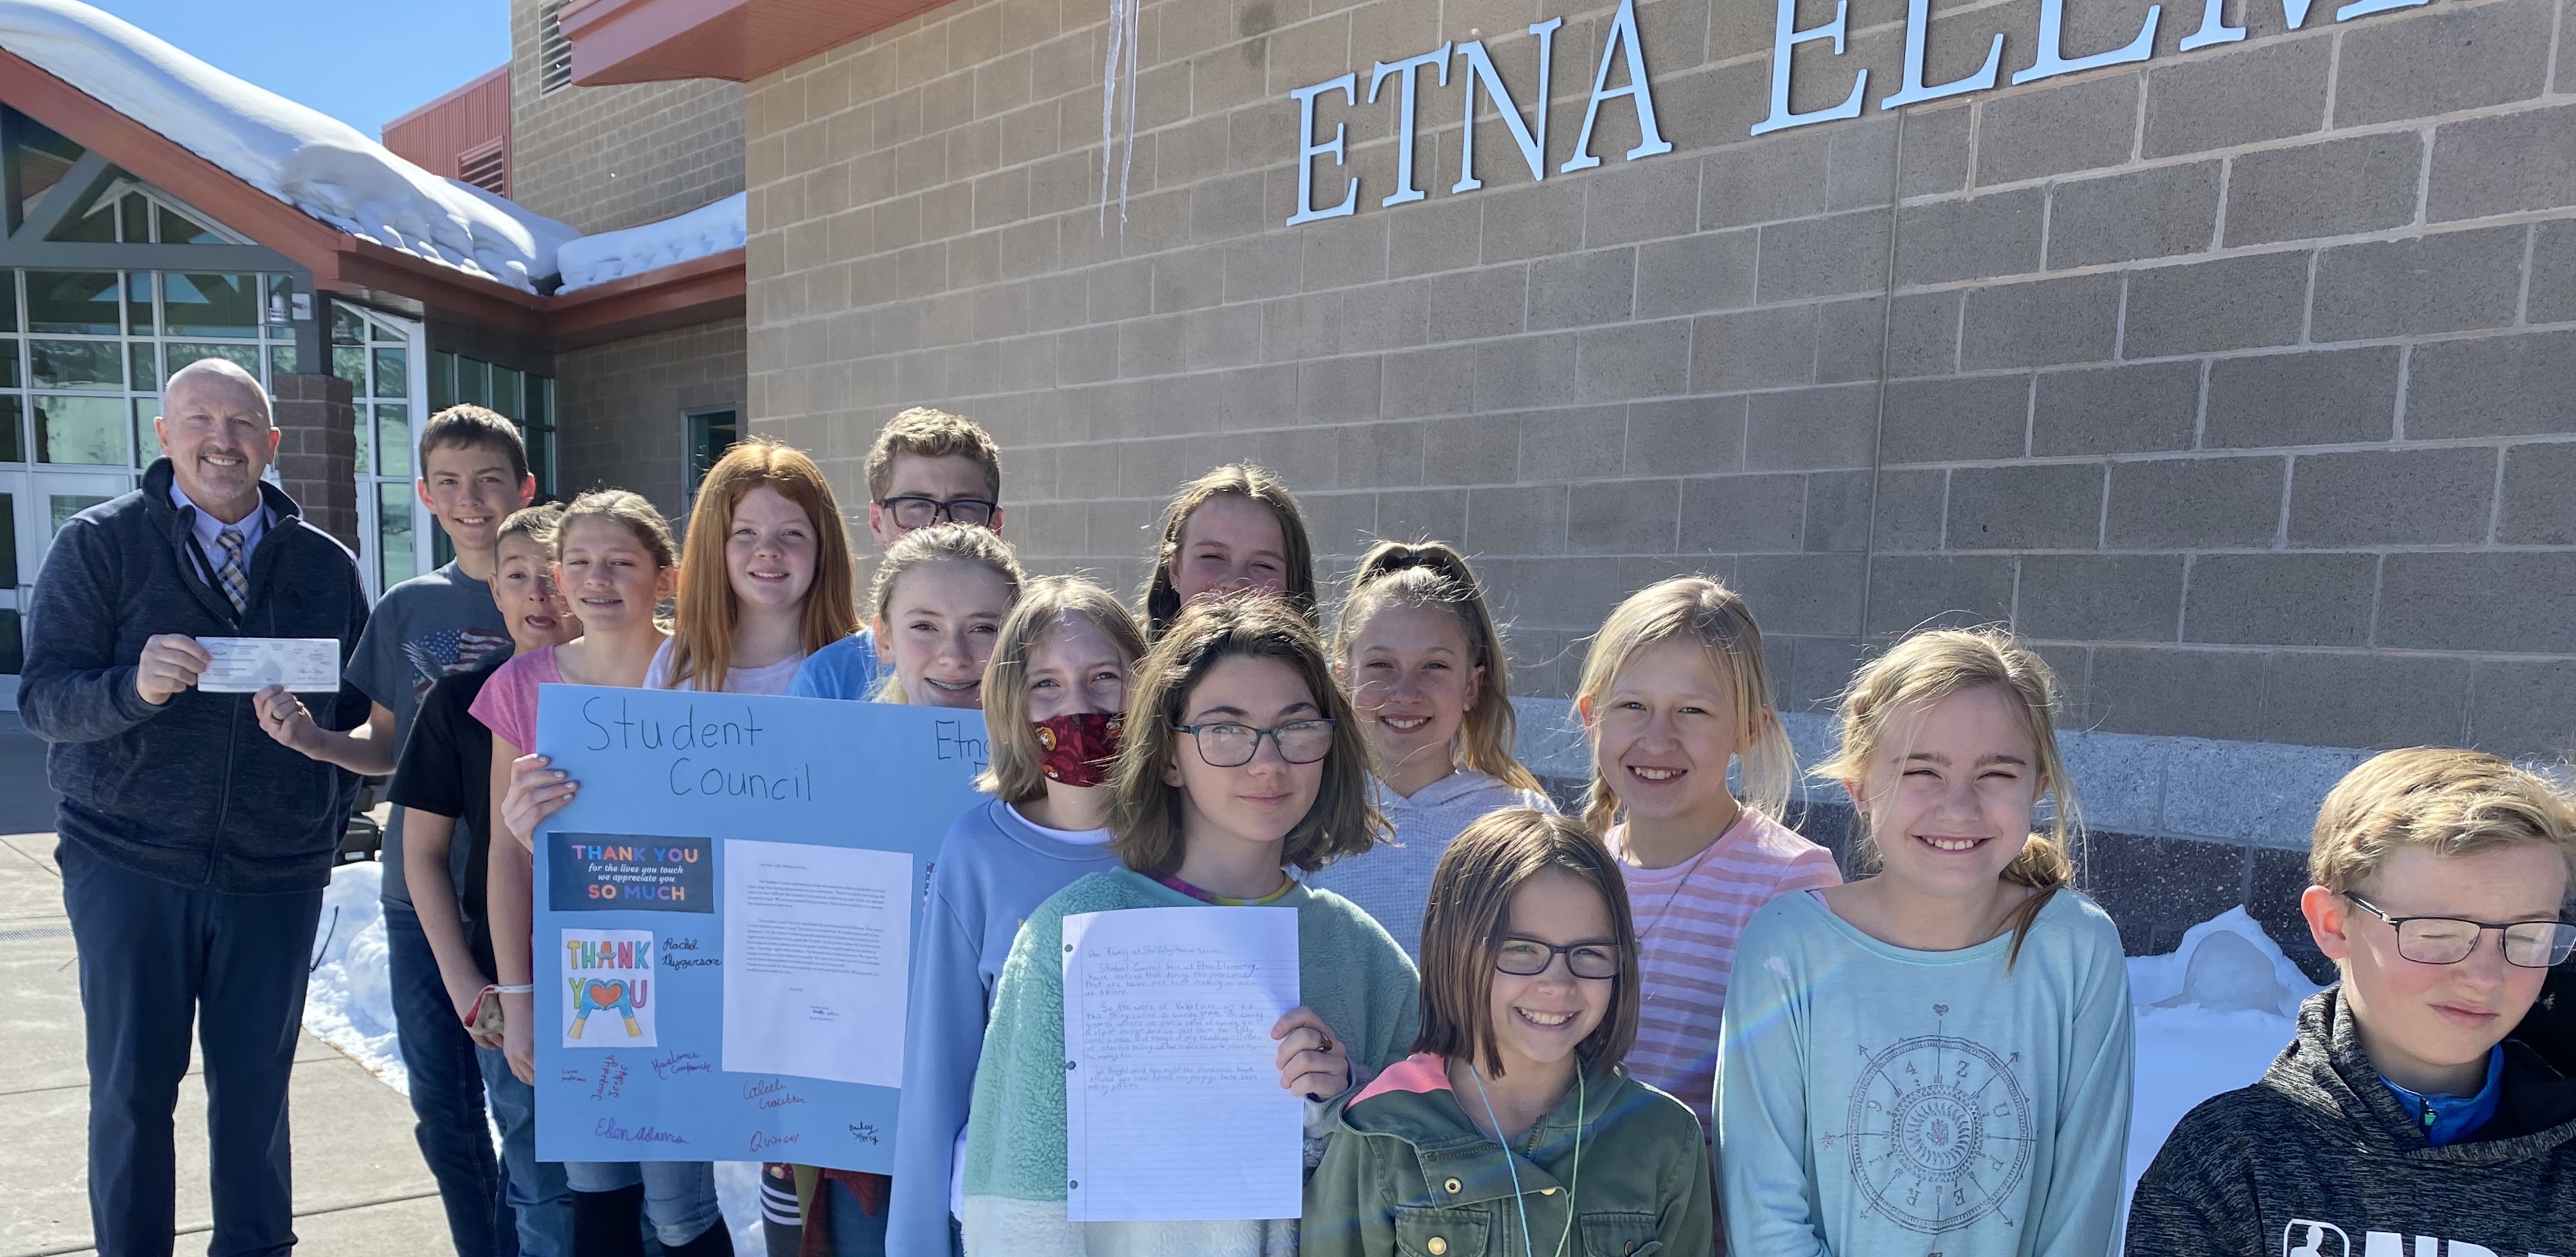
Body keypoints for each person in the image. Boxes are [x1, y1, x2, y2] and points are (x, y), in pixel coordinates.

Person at [18, 357, 371, 1255]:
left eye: (242, 423)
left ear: (272, 442)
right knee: (132, 1093)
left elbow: (360, 718)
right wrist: (131, 687)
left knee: (256, 1093)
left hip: (276, 875)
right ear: (165, 435)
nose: (223, 440)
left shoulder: (325, 566)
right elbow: (44, 699)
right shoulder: (100, 545)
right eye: (201, 421)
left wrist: (319, 815)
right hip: (129, 863)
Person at [958, 596, 1419, 1255]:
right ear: (1168, 756)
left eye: (1296, 725)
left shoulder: (1365, 955)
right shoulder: (1072, 937)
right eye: (1225, 728)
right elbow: (1017, 1208)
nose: (1268, 760)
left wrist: (1345, 1098)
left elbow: (1429, 1186)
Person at [1716, 628, 2133, 1257]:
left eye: (1996, 772)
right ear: (1860, 785)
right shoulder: (1785, 951)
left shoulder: (2078, 950)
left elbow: (2083, 1209)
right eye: (1921, 770)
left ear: (2038, 786)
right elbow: (1765, 1214)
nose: (1958, 806)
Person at [256, 403, 537, 1257]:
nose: (470, 499)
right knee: (444, 1107)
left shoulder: (555, 593)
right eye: (449, 482)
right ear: (424, 494)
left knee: (525, 1106)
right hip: (421, 894)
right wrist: (315, 740)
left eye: (488, 480)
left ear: (524, 487)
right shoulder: (409, 608)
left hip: (521, 895)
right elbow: (387, 745)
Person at [2126, 748, 2576, 1255]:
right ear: (2334, 924)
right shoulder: (2232, 1163)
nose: (2485, 977)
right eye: (2438, 933)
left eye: (2529, 936)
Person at [474, 492, 736, 1257]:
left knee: (680, 1208)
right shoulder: (522, 686)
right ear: (558, 577)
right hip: (581, 970)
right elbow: (504, 853)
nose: (598, 578)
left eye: (621, 561)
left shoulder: (709, 678)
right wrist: (518, 996)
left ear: (666, 577)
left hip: (688, 966)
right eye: (580, 562)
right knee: (595, 1193)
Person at [1304, 808, 1713, 1257]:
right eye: (1521, 948)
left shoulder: (1664, 1136)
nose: (1558, 984)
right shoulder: (1380, 1132)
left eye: (1589, 952)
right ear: (1454, 949)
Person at [780, 520, 1024, 1257]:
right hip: (868, 1121)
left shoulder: (1063, 779)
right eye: (924, 626)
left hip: (1018, 1116)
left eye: (985, 627)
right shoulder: (815, 774)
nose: (955, 653)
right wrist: (563, 820)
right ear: (881, 637)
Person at [886, 577, 1141, 1257]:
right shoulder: (977, 850)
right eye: (1046, 684)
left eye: (1104, 677)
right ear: (1012, 703)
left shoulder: (1194, 841)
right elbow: (938, 1064)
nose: (1078, 705)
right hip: (1014, 1215)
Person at [1570, 576, 1838, 1136]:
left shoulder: (1791, 882)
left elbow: (1809, 1098)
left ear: (1748, 728)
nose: (1657, 739)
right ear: (1592, 716)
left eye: (1692, 710)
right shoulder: (1571, 871)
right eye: (1633, 705)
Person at [391, 503, 579, 1256]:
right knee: (539, 1185)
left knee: (637, 1192)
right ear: (494, 592)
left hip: (622, 970)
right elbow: (421, 854)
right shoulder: (459, 702)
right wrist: (467, 981)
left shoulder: (641, 692)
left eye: (553, 574)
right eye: (517, 576)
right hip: (511, 976)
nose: (539, 594)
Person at [1305, 540, 1552, 960]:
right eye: (1381, 665)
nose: (1405, 692)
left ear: (1471, 686)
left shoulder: (1525, 823)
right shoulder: (1303, 820)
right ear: (1345, 680)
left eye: (1434, 666)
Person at [789, 407, 1004, 701]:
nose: (940, 526)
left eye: (965, 506)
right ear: (877, 523)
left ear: (995, 525)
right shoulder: (827, 683)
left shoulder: (1044, 671)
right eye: (916, 506)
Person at [650, 437, 858, 695]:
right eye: (745, 532)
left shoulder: (865, 666)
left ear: (823, 548)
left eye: (793, 533)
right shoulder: (674, 665)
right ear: (714, 548)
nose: (768, 550)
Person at [1138, 464, 1318, 638]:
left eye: (1263, 565)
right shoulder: (1128, 658)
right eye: (1212, 557)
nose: (1235, 584)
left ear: (1291, 584)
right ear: (1175, 571)